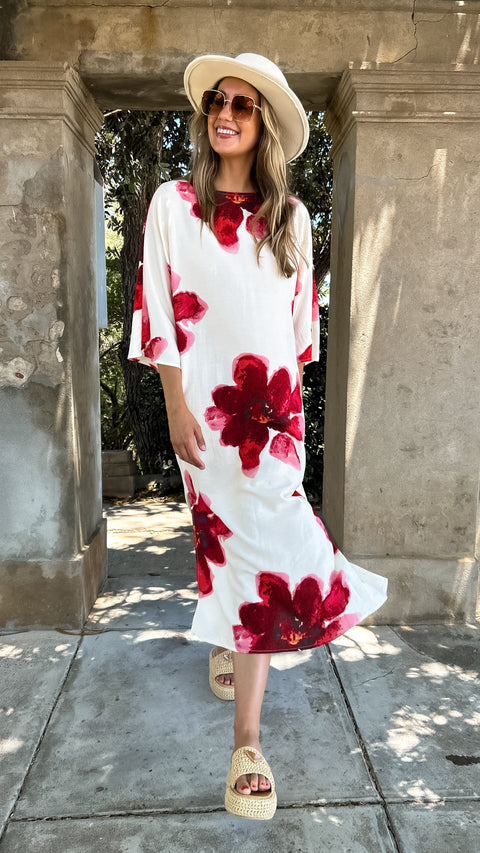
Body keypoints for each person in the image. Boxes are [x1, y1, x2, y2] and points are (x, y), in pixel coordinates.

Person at [128, 53, 388, 821]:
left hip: (273, 421)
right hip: (205, 414)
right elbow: (160, 313)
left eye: (242, 104)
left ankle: (246, 738)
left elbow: (298, 338)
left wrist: (292, 430)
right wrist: (174, 404)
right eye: (218, 100)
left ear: (263, 123)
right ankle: (233, 659)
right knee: (224, 544)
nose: (225, 113)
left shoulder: (294, 221)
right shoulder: (174, 206)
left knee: (269, 552)